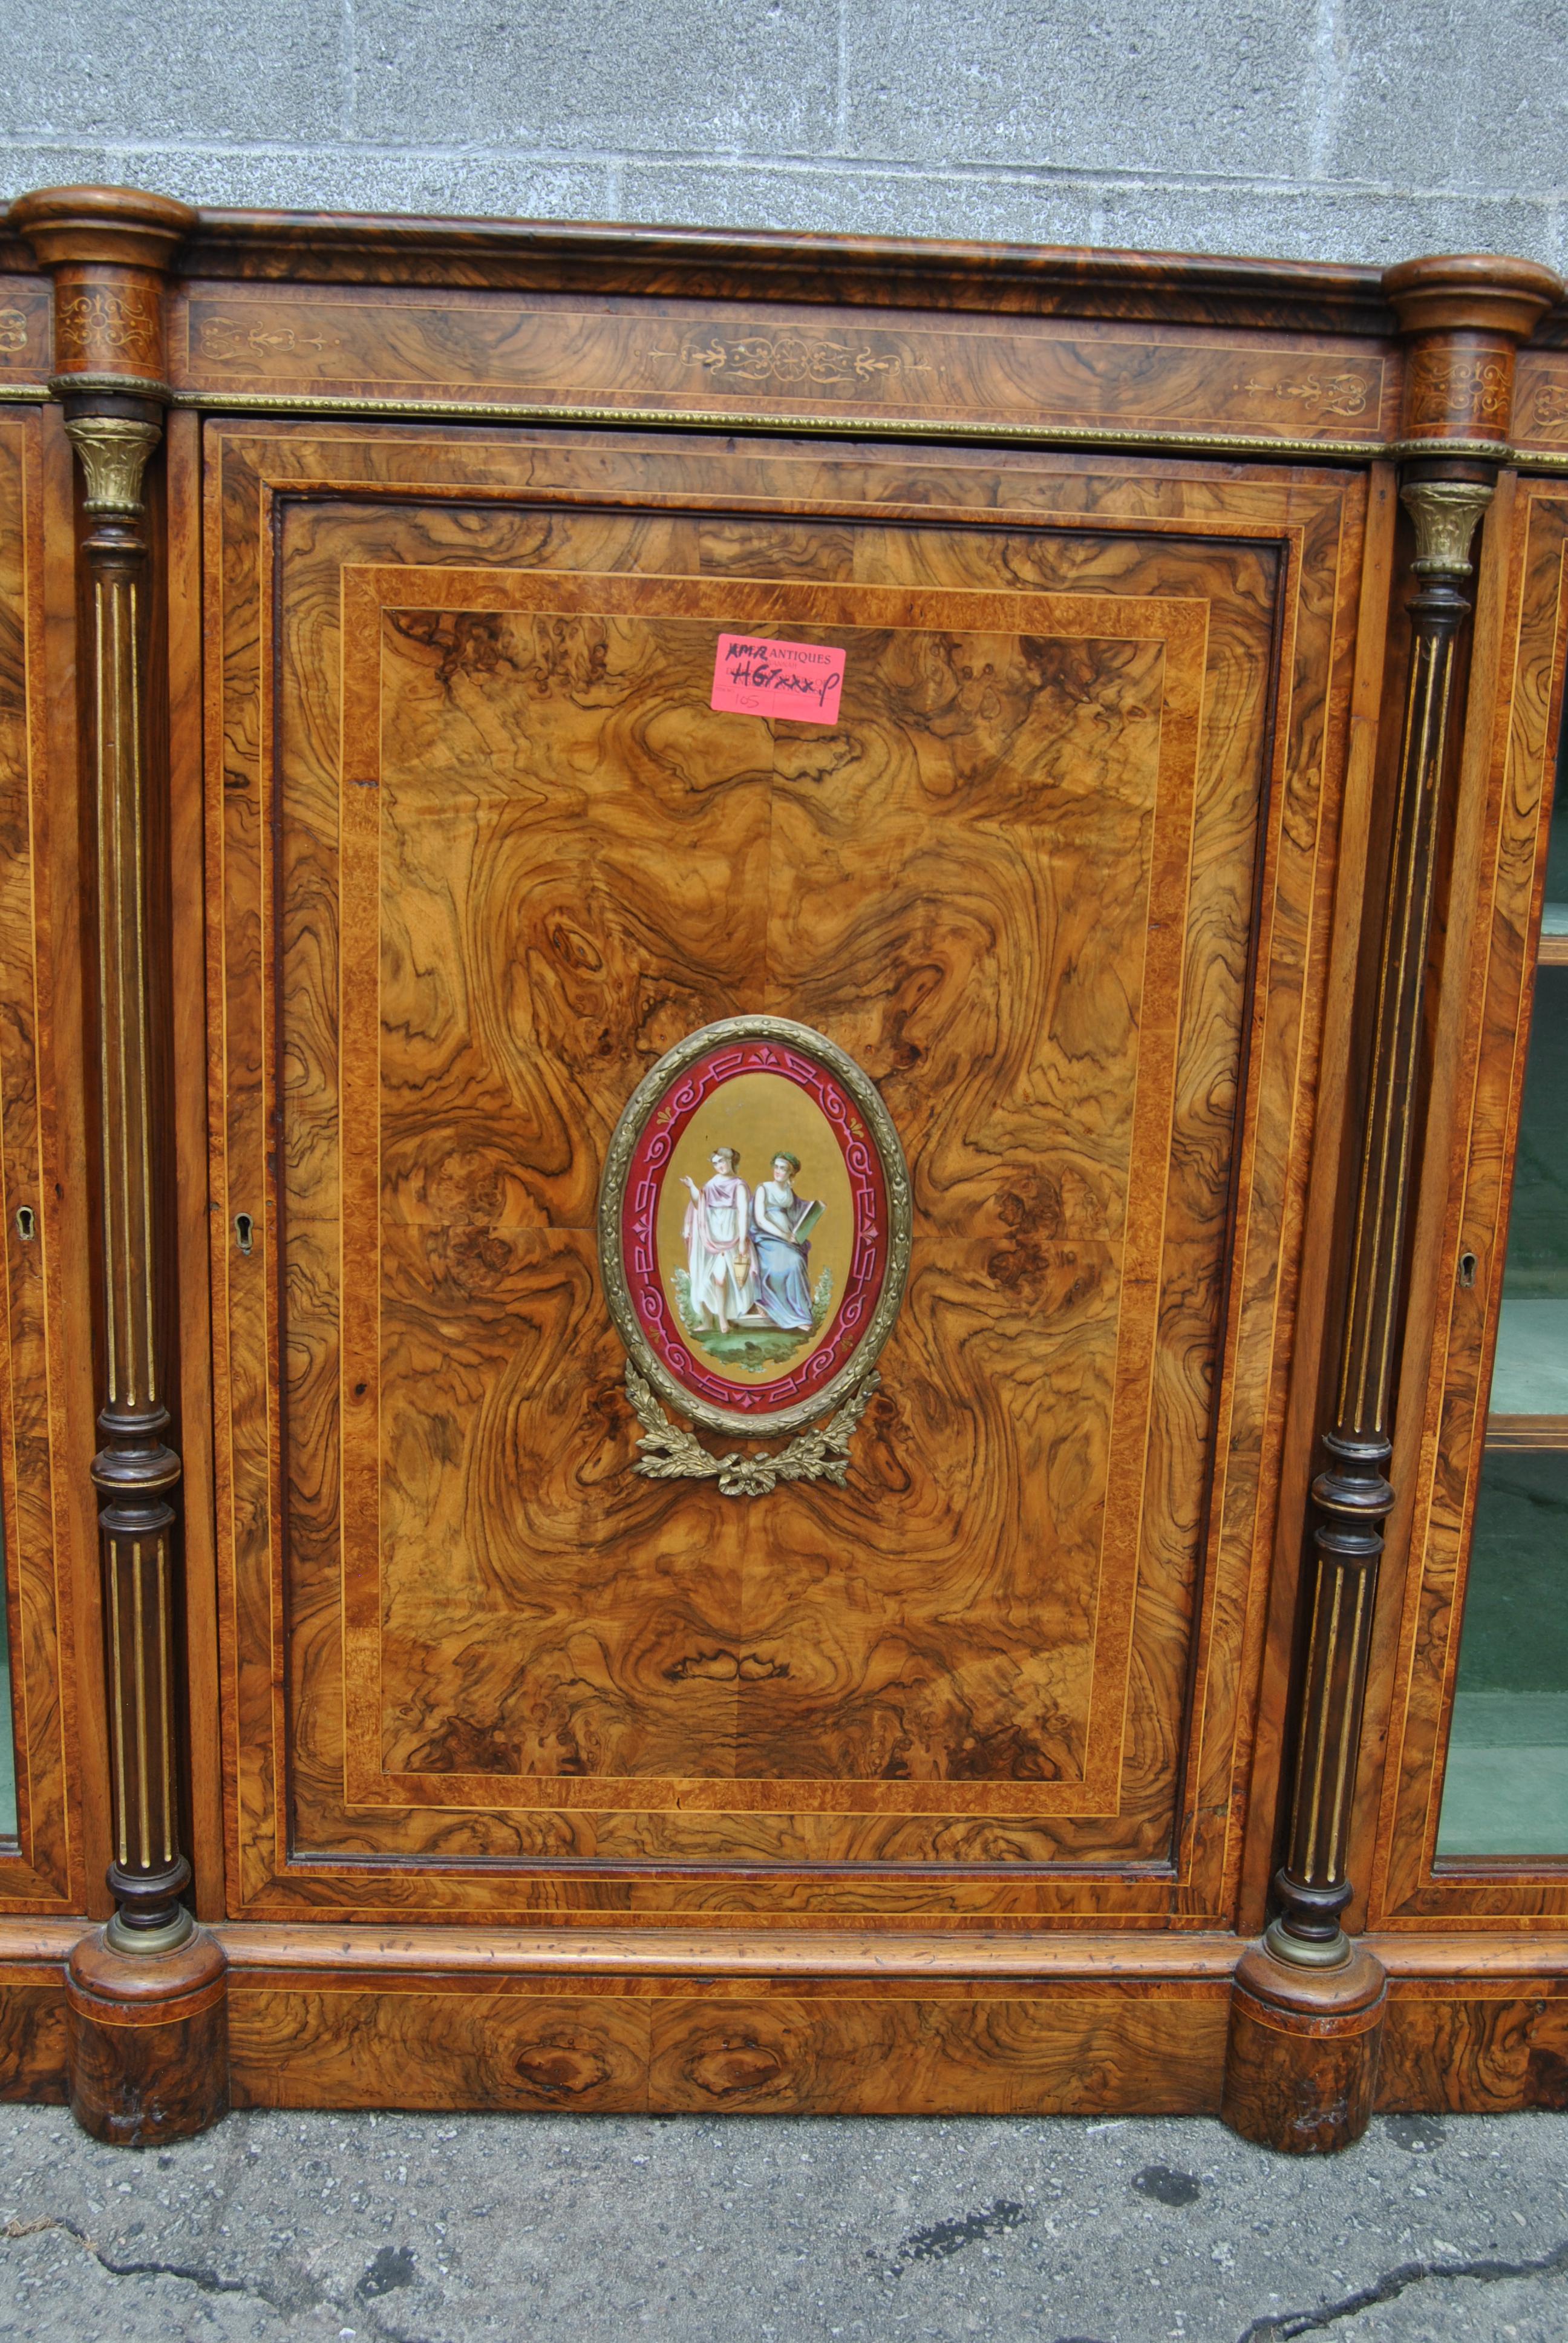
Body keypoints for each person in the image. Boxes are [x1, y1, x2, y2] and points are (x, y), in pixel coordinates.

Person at [681, 1148, 757, 1335]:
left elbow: (743, 1214)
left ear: (731, 1160)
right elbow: (699, 1204)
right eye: (715, 1163)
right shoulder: (710, 1184)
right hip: (711, 1238)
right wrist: (692, 1188)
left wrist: (741, 1241)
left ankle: (723, 1320)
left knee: (723, 1279)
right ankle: (713, 1321)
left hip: (730, 1236)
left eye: (722, 1161)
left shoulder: (739, 1185)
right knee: (709, 1278)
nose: (719, 1166)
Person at [751, 1152, 818, 1332]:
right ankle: (778, 1309)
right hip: (766, 1239)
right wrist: (783, 1235)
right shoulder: (763, 1189)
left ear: (791, 1174)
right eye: (777, 1167)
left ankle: (799, 1313)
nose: (778, 1171)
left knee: (797, 1262)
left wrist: (810, 1215)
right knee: (791, 1263)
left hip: (787, 1240)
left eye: (784, 1169)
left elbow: (797, 1213)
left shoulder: (789, 1192)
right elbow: (760, 1219)